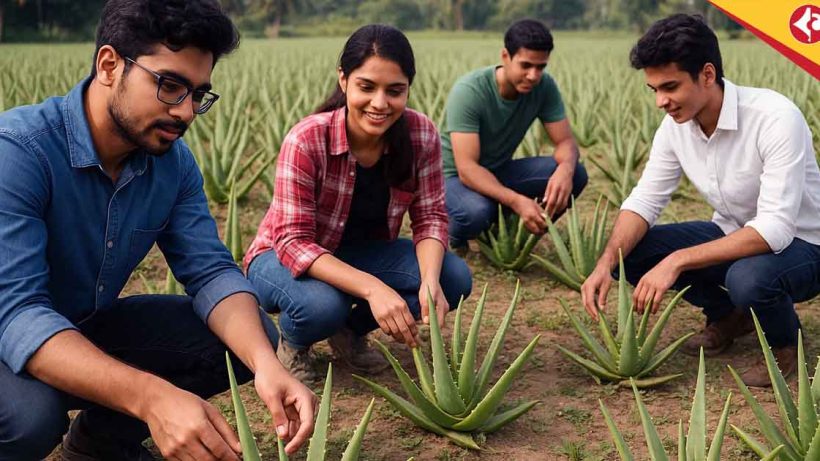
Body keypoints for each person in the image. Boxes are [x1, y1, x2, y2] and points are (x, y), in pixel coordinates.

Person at [0, 1, 316, 460]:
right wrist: (152, 398)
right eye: (170, 86)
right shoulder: (19, 152)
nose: (186, 112)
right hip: (8, 327)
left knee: (247, 342)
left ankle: (98, 445)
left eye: (198, 94)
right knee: (30, 417)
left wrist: (268, 366)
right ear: (109, 65)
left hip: (77, 326)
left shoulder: (171, 164)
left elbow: (210, 272)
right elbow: (17, 314)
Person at [580, 14, 820, 387]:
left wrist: (676, 261)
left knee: (749, 278)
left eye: (670, 86)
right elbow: (645, 198)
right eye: (654, 89)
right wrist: (606, 261)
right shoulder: (676, 128)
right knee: (630, 252)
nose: (661, 101)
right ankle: (729, 316)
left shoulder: (774, 118)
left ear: (707, 75)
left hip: (804, 245)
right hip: (735, 233)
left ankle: (785, 346)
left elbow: (774, 230)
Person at [244, 24, 473, 383]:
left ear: (408, 88)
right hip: (279, 256)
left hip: (359, 252)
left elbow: (429, 217)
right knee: (322, 305)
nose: (380, 103)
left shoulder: (420, 134)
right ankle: (293, 342)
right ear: (344, 81)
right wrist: (374, 288)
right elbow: (293, 242)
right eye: (367, 87)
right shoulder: (307, 139)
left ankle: (348, 332)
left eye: (395, 91)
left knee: (452, 278)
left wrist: (429, 282)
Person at [442, 18, 587, 250]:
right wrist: (517, 201)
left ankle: (509, 230)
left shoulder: (544, 87)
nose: (533, 75)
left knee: (576, 174)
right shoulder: (469, 91)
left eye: (541, 67)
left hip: (498, 170)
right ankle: (452, 230)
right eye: (526, 65)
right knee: (477, 213)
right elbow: (467, 169)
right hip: (452, 178)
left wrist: (566, 169)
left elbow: (566, 141)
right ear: (505, 57)